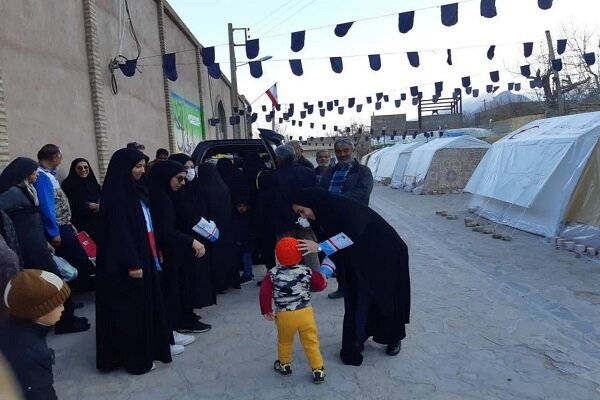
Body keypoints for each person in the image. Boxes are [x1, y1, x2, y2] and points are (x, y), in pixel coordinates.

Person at [292, 188, 411, 366]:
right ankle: (356, 341)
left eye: (302, 211)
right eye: (299, 213)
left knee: (385, 297)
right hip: (359, 257)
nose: (304, 216)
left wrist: (319, 247)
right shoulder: (322, 219)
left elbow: (351, 235)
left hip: (386, 253)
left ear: (313, 203)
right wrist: (323, 273)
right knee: (357, 298)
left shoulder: (345, 207)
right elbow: (334, 251)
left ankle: (392, 337)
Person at [95, 148, 172, 374]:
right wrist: (133, 262)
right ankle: (135, 360)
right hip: (126, 264)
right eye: (136, 166)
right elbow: (120, 233)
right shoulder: (117, 193)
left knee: (143, 308)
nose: (140, 171)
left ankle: (149, 351)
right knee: (131, 313)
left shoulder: (135, 189)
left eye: (142, 166)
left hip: (142, 254)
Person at [0, 157, 89, 334]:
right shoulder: (12, 193)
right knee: (54, 283)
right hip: (28, 247)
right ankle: (65, 323)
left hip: (36, 244)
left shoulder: (24, 189)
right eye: (33, 173)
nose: (35, 176)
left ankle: (62, 318)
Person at [148, 160, 210, 335]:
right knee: (172, 289)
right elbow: (164, 230)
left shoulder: (168, 195)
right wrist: (191, 241)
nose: (183, 183)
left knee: (182, 286)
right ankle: (175, 325)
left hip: (176, 250)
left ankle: (183, 318)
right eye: (179, 179)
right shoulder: (158, 199)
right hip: (165, 253)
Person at [259, 237, 327, 384]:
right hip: (305, 313)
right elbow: (320, 285)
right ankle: (318, 369)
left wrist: (266, 309)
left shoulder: (272, 273)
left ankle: (284, 365)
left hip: (284, 315)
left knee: (284, 341)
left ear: (277, 255)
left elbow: (264, 293)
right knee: (311, 342)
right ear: (300, 255)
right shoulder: (305, 271)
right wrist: (321, 282)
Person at [0, 269, 71, 399]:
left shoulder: (12, 326)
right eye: (59, 304)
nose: (63, 309)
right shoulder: (32, 352)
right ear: (39, 312)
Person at [318, 138, 374, 299]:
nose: (342, 154)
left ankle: (361, 288)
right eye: (338, 151)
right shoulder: (330, 171)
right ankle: (343, 288)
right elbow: (321, 190)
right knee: (337, 255)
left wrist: (337, 200)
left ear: (352, 150)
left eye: (345, 151)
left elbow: (362, 193)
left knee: (357, 256)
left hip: (355, 221)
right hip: (334, 221)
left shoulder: (363, 171)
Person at [35, 144, 95, 292]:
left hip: (64, 224)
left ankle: (72, 295)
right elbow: (47, 205)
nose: (61, 160)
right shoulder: (42, 176)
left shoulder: (49, 174)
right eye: (60, 157)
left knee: (75, 258)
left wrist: (68, 222)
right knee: (75, 259)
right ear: (55, 157)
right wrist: (53, 231)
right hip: (58, 228)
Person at [168, 153, 216, 315]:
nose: (189, 172)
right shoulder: (175, 192)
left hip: (199, 237)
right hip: (184, 239)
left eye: (191, 168)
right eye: (185, 168)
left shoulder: (195, 186)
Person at [257, 145, 318, 271]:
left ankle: (293, 280)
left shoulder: (272, 177)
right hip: (306, 219)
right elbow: (315, 195)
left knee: (288, 254)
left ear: (278, 159)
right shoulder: (309, 172)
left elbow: (272, 200)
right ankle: (315, 279)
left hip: (283, 222)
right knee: (310, 251)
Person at [195, 162, 239, 292]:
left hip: (208, 230)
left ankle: (216, 284)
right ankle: (227, 281)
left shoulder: (202, 189)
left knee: (213, 257)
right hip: (225, 227)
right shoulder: (222, 187)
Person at [60, 158, 101, 241]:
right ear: (74, 169)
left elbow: (102, 197)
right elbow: (66, 205)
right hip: (79, 223)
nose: (83, 170)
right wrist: (84, 206)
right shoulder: (68, 185)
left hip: (97, 222)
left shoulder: (93, 183)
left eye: (86, 167)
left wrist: (100, 206)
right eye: (79, 168)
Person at [233, 197, 253, 285]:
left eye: (243, 206)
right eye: (239, 206)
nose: (241, 208)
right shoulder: (238, 217)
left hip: (247, 241)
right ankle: (248, 273)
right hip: (244, 241)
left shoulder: (247, 217)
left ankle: (248, 275)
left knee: (246, 259)